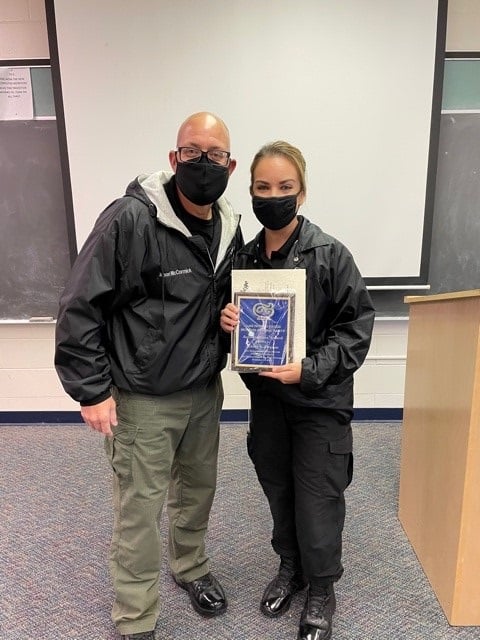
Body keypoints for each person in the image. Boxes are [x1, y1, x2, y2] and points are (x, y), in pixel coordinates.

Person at [55, 112, 243, 640]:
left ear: (231, 166)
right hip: (143, 400)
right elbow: (78, 304)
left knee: (197, 491)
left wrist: (231, 317)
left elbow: (219, 298)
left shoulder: (229, 224)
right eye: (192, 152)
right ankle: (136, 618)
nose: (203, 163)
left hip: (203, 390)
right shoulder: (131, 219)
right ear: (173, 158)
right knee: (140, 510)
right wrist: (92, 390)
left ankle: (191, 567)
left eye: (215, 155)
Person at [220, 141, 374, 640]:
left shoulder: (330, 255)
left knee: (317, 498)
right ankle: (291, 568)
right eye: (263, 187)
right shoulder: (243, 258)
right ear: (251, 192)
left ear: (301, 193)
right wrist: (228, 324)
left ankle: (322, 589)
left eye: (285, 187)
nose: (274, 197)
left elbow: (355, 332)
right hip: (268, 405)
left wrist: (306, 370)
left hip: (319, 406)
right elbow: (233, 335)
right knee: (278, 489)